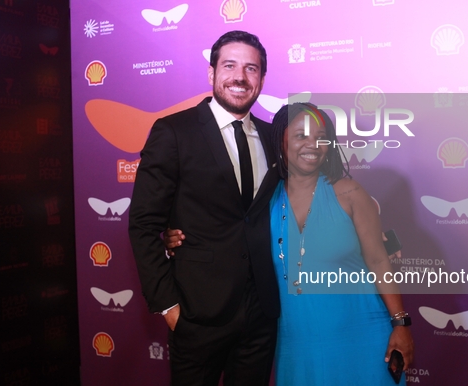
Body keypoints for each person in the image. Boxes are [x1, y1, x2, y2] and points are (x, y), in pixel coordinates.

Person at [166, 103, 414, 385]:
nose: (313, 145)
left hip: (363, 334)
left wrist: (401, 323)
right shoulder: (262, 202)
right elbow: (222, 235)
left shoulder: (350, 193)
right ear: (280, 141)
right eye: (301, 136)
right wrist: (174, 236)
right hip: (297, 343)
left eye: (321, 137)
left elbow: (379, 260)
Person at [128, 31, 280, 386]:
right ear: (211, 73)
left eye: (251, 68)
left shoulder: (274, 138)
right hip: (197, 314)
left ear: (261, 79)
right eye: (229, 65)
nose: (240, 77)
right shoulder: (174, 131)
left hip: (260, 315)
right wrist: (169, 307)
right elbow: (143, 222)